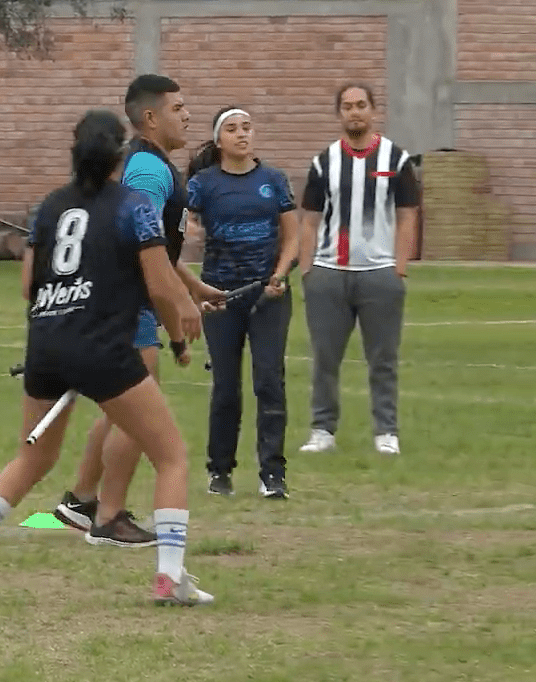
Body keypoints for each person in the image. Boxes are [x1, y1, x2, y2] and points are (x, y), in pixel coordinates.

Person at [0, 110, 213, 606]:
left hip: (46, 343)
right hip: (103, 347)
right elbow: (158, 284)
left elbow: (28, 287)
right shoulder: (133, 207)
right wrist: (180, 323)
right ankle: (170, 577)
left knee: (33, 456)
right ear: (118, 156)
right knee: (170, 455)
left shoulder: (48, 208)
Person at [50, 74, 223, 545]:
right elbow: (137, 241)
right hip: (130, 306)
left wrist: (193, 284)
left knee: (118, 409)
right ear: (150, 117)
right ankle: (109, 517)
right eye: (178, 107)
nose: (187, 115)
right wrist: (175, 306)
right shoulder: (149, 171)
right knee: (137, 413)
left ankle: (81, 501)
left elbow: (158, 247)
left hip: (127, 302)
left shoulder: (152, 165)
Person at [296, 83, 419, 456]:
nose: (355, 112)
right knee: (325, 358)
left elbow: (407, 216)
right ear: (339, 114)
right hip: (329, 272)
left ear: (373, 110)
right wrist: (307, 271)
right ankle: (322, 430)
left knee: (383, 358)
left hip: (379, 273)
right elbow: (309, 221)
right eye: (347, 106)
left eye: (361, 105)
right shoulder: (324, 162)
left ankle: (386, 431)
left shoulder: (397, 160)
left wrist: (398, 269)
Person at [185, 107, 300, 498]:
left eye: (247, 128)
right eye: (232, 129)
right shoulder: (203, 183)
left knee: (269, 382)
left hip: (267, 297)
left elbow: (292, 237)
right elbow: (180, 228)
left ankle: (273, 474)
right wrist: (195, 284)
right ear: (219, 141)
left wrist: (280, 275)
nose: (241, 135)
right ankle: (220, 471)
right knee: (226, 388)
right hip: (221, 298)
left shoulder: (273, 180)